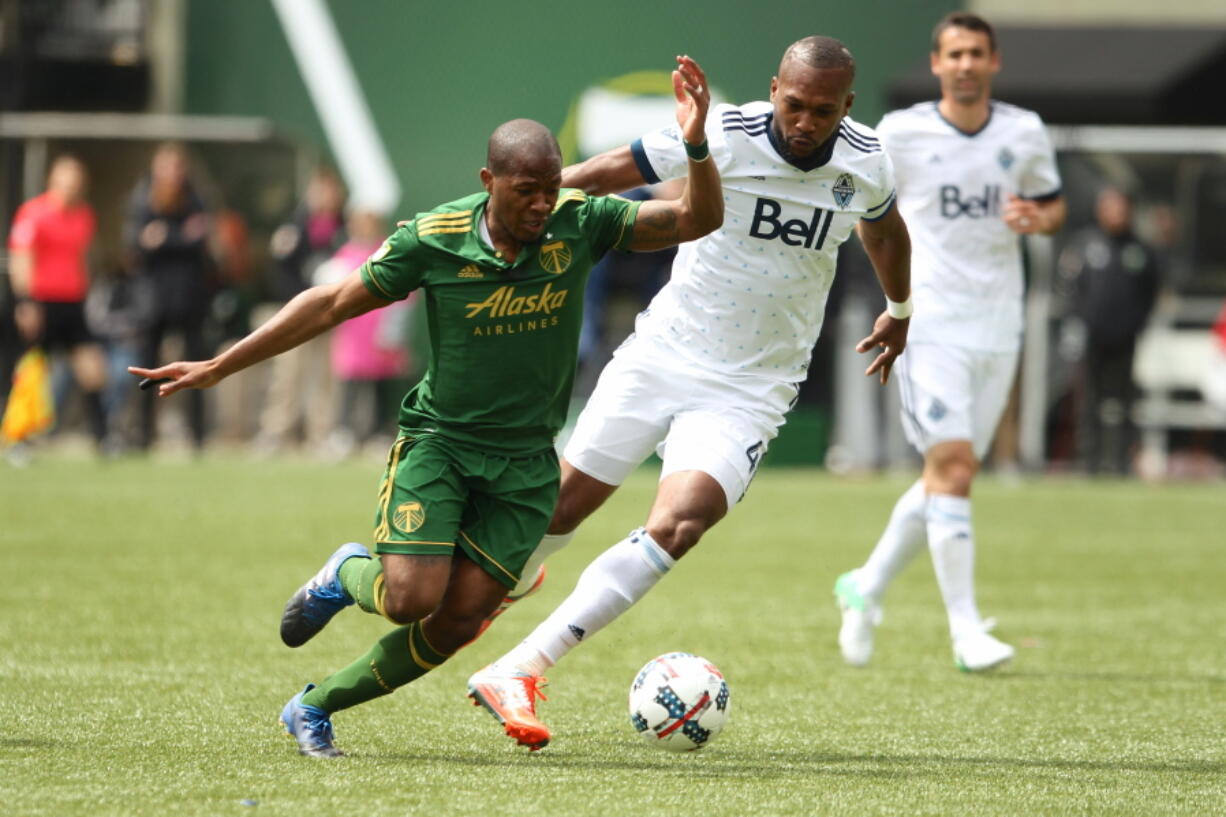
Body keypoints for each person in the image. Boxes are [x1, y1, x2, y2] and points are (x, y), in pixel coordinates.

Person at [129, 54, 723, 758]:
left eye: (549, 188)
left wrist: (696, 143)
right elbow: (332, 302)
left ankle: (313, 706)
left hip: (526, 465)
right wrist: (222, 363)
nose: (542, 203)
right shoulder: (434, 238)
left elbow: (695, 218)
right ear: (488, 183)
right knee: (411, 596)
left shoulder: (580, 220)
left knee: (458, 619)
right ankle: (348, 570)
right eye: (527, 191)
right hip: (439, 445)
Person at [466, 35, 912, 750]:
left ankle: (520, 666)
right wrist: (502, 206)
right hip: (664, 354)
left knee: (682, 519)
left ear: (846, 107)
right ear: (774, 90)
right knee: (555, 512)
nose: (804, 121)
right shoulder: (725, 134)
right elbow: (614, 167)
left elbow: (886, 230)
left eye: (821, 111)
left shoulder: (866, 159)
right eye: (793, 104)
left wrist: (901, 308)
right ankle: (450, 588)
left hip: (753, 385)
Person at [835, 12, 1065, 672]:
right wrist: (895, 290)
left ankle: (866, 585)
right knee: (956, 468)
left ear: (994, 62)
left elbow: (1051, 206)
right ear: (936, 64)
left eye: (976, 53)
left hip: (999, 323)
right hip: (928, 322)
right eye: (954, 53)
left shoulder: (1024, 132)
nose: (965, 63)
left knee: (948, 475)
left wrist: (1037, 217)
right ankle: (965, 629)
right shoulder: (901, 132)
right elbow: (862, 207)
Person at [7, 154, 109, 454]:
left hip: (72, 303)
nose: (71, 189)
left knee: (93, 369)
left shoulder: (84, 216)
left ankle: (103, 438)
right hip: (41, 303)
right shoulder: (33, 213)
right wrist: (25, 302)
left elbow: (85, 259)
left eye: (76, 184)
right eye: (66, 182)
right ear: (53, 181)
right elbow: (21, 258)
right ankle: (18, 438)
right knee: (31, 372)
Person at [125, 142, 214, 452]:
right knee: (147, 369)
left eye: (177, 167)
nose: (173, 174)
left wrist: (164, 238)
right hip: (153, 301)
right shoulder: (142, 200)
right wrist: (180, 238)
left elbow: (198, 241)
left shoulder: (194, 200)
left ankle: (199, 436)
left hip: (189, 299)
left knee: (199, 368)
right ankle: (142, 436)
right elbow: (137, 243)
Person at [1064, 187, 1159, 475]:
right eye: (1110, 206)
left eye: (1120, 207)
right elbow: (1071, 288)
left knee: (1124, 403)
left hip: (1125, 338)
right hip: (1093, 337)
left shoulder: (1139, 249)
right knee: (1089, 401)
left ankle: (1121, 462)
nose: (1115, 213)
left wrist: (1138, 323)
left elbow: (1150, 290)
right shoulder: (1085, 245)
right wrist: (1078, 322)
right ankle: (1089, 463)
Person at [255, 168, 347, 455]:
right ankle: (275, 432)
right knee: (288, 374)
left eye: (330, 191)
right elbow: (280, 268)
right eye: (319, 190)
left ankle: (322, 435)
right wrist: (298, 301)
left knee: (326, 378)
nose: (325, 197)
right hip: (298, 311)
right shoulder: (294, 226)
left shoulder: (343, 229)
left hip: (332, 311)